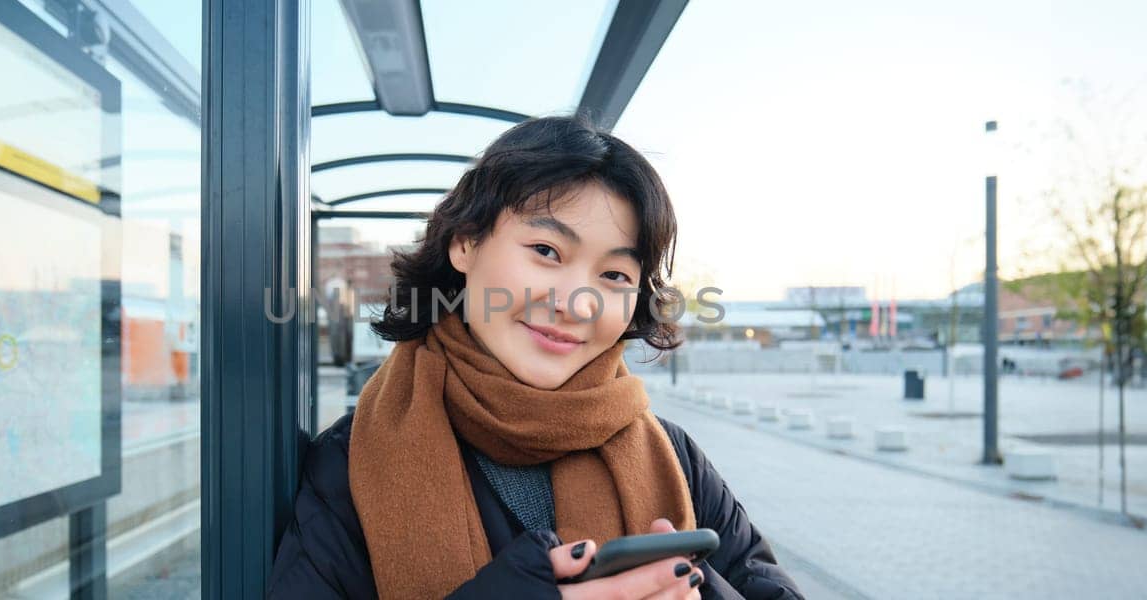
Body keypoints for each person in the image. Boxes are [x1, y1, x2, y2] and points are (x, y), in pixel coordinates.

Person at [268, 116, 803, 599]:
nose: (575, 303)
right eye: (546, 252)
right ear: (465, 244)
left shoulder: (675, 456)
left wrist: (693, 589)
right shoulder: (349, 464)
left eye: (614, 275)